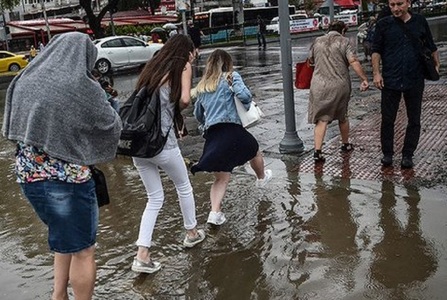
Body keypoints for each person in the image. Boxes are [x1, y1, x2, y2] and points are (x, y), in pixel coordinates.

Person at [2, 32, 122, 300]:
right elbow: (111, 125)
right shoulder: (82, 86)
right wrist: (107, 100)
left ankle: (59, 296)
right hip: (68, 183)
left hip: (29, 179)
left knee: (64, 238)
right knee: (84, 249)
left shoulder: (27, 78)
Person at [131, 34, 206, 274]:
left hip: (139, 145)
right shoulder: (182, 65)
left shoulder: (153, 66)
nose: (195, 55)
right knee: (183, 186)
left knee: (154, 198)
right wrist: (177, 106)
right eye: (194, 50)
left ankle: (142, 254)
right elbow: (184, 99)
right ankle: (192, 233)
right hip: (162, 144)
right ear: (187, 50)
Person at [191, 49, 273, 226]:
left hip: (213, 134)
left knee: (220, 178)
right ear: (227, 63)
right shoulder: (231, 76)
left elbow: (198, 114)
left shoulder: (202, 86)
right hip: (232, 129)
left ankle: (214, 213)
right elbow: (245, 97)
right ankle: (261, 178)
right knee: (254, 150)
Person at [371, 0, 440, 168]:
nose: (395, 8)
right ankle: (387, 154)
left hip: (414, 78)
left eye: (399, 4)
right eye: (392, 4)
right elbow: (376, 50)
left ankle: (408, 154)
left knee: (414, 119)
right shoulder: (383, 24)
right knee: (388, 119)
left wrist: (436, 66)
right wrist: (376, 73)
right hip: (390, 79)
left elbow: (431, 46)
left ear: (408, 3)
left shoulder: (420, 21)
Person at [308, 20, 369, 163]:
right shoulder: (344, 42)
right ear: (343, 31)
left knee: (322, 119)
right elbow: (353, 61)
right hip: (339, 85)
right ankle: (345, 144)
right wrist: (364, 79)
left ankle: (317, 152)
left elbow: (310, 60)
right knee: (342, 115)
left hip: (318, 85)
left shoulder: (317, 41)